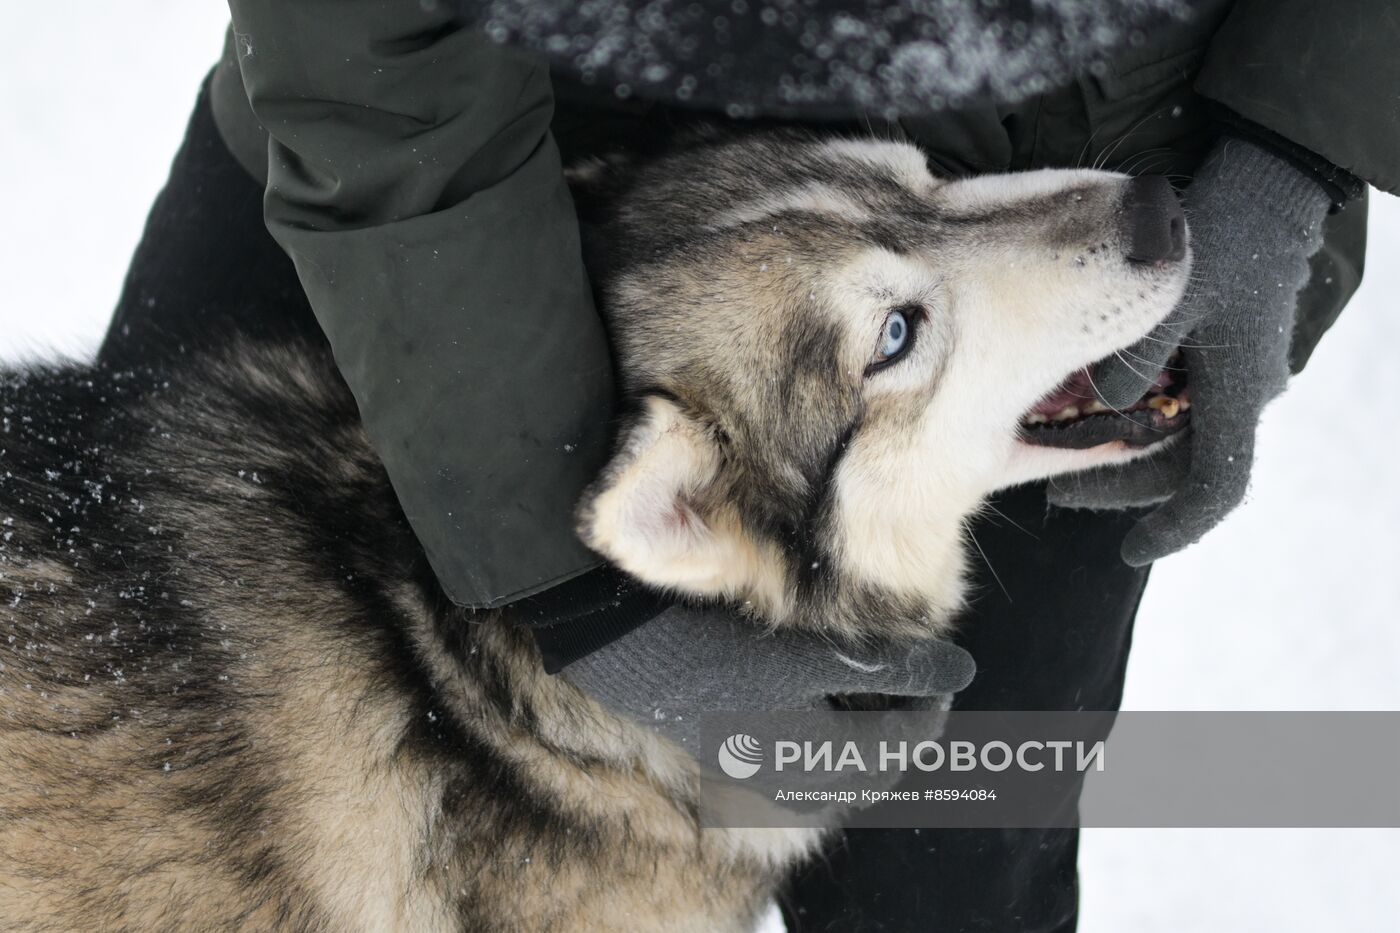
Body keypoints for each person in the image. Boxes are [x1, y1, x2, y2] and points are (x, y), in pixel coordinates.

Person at [98, 1, 1396, 929]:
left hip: (1061, 118)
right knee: (117, 772)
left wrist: (1290, 137)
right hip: (417, 156)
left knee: (951, 881)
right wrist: (562, 566)